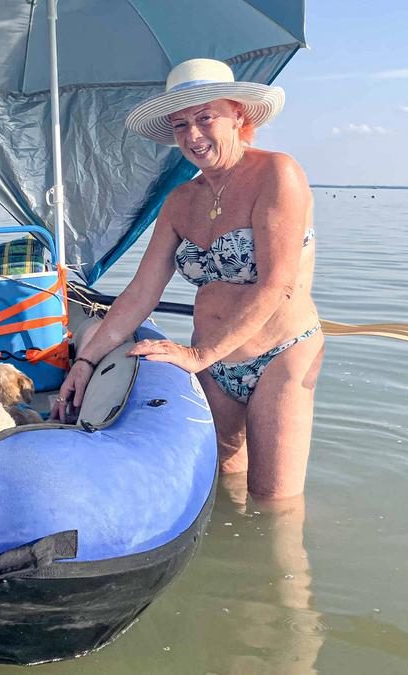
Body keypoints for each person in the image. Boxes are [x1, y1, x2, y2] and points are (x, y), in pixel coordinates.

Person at [52, 58, 324, 501]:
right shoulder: (180, 200)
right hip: (215, 364)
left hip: (280, 355)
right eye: (180, 125)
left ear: (238, 115)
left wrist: (199, 354)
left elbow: (279, 284)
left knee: (274, 504)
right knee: (219, 488)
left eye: (205, 118)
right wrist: (84, 362)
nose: (193, 136)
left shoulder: (278, 173)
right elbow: (140, 293)